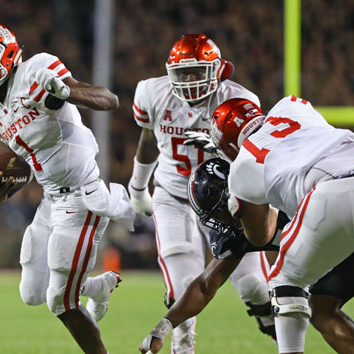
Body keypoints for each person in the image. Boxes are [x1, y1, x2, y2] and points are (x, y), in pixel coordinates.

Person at [0, 22, 134, 354]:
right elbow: (27, 148)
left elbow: (108, 100)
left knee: (60, 301)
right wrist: (2, 173)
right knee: (32, 293)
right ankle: (97, 288)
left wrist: (67, 92)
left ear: (7, 54)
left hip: (83, 197)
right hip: (50, 200)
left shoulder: (35, 70)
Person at [128, 33, 272, 353]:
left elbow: (254, 159)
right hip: (173, 195)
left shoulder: (238, 100)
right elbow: (149, 139)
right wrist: (138, 185)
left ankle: (271, 320)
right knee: (182, 284)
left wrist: (223, 153)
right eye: (183, 73)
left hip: (222, 199)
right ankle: (183, 346)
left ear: (217, 70)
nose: (190, 81)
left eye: (197, 72)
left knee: (254, 285)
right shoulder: (152, 92)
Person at [140, 157, 354, 353]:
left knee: (286, 285)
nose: (218, 222)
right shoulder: (240, 225)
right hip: (338, 249)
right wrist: (163, 326)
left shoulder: (283, 190)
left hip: (343, 216)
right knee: (320, 308)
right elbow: (206, 285)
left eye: (217, 213)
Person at [208, 95, 354, 353]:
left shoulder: (241, 166)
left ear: (229, 147)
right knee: (321, 305)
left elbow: (259, 236)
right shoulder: (291, 105)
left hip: (337, 193)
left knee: (286, 281)